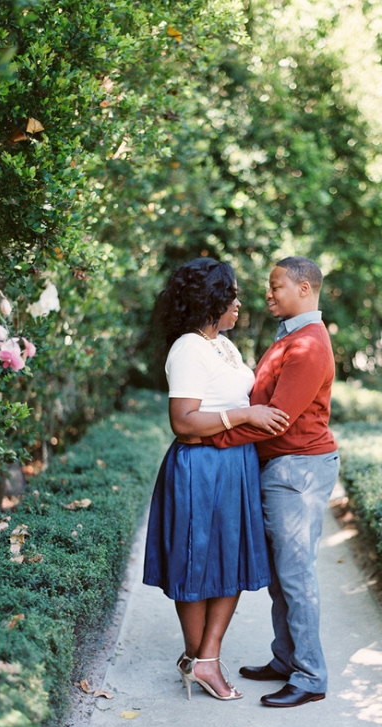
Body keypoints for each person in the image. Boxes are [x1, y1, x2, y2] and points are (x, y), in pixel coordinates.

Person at [142, 257, 289, 702]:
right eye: (232, 295)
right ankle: (198, 656)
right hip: (201, 468)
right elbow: (183, 422)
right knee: (194, 562)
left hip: (235, 465)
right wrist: (246, 414)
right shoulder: (187, 347)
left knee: (232, 561)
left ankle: (206, 656)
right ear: (210, 301)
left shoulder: (222, 345)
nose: (239, 303)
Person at [202, 256, 339, 708]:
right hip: (284, 467)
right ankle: (287, 658)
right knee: (283, 576)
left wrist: (214, 437)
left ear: (304, 288)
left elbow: (276, 421)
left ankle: (310, 676)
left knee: (296, 577)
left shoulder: (309, 345)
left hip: (298, 469)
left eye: (276, 285)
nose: (268, 293)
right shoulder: (293, 337)